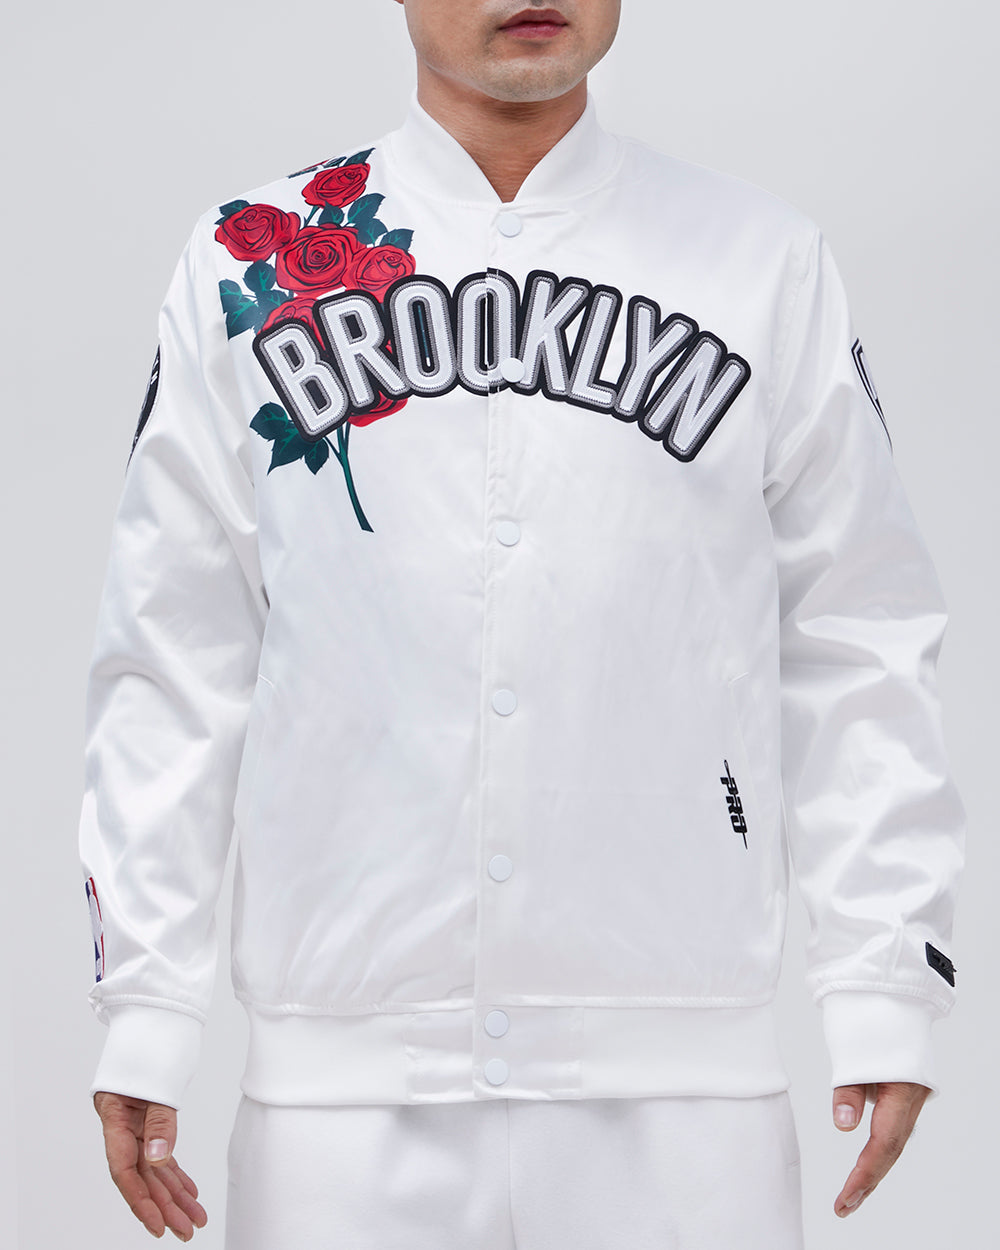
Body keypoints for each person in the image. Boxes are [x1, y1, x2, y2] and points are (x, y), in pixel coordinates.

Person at [79, 1, 965, 1246]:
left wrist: (881, 978)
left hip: (682, 1099)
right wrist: (146, 1004)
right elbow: (177, 651)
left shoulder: (760, 260)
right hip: (340, 1105)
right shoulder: (243, 262)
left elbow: (855, 629)